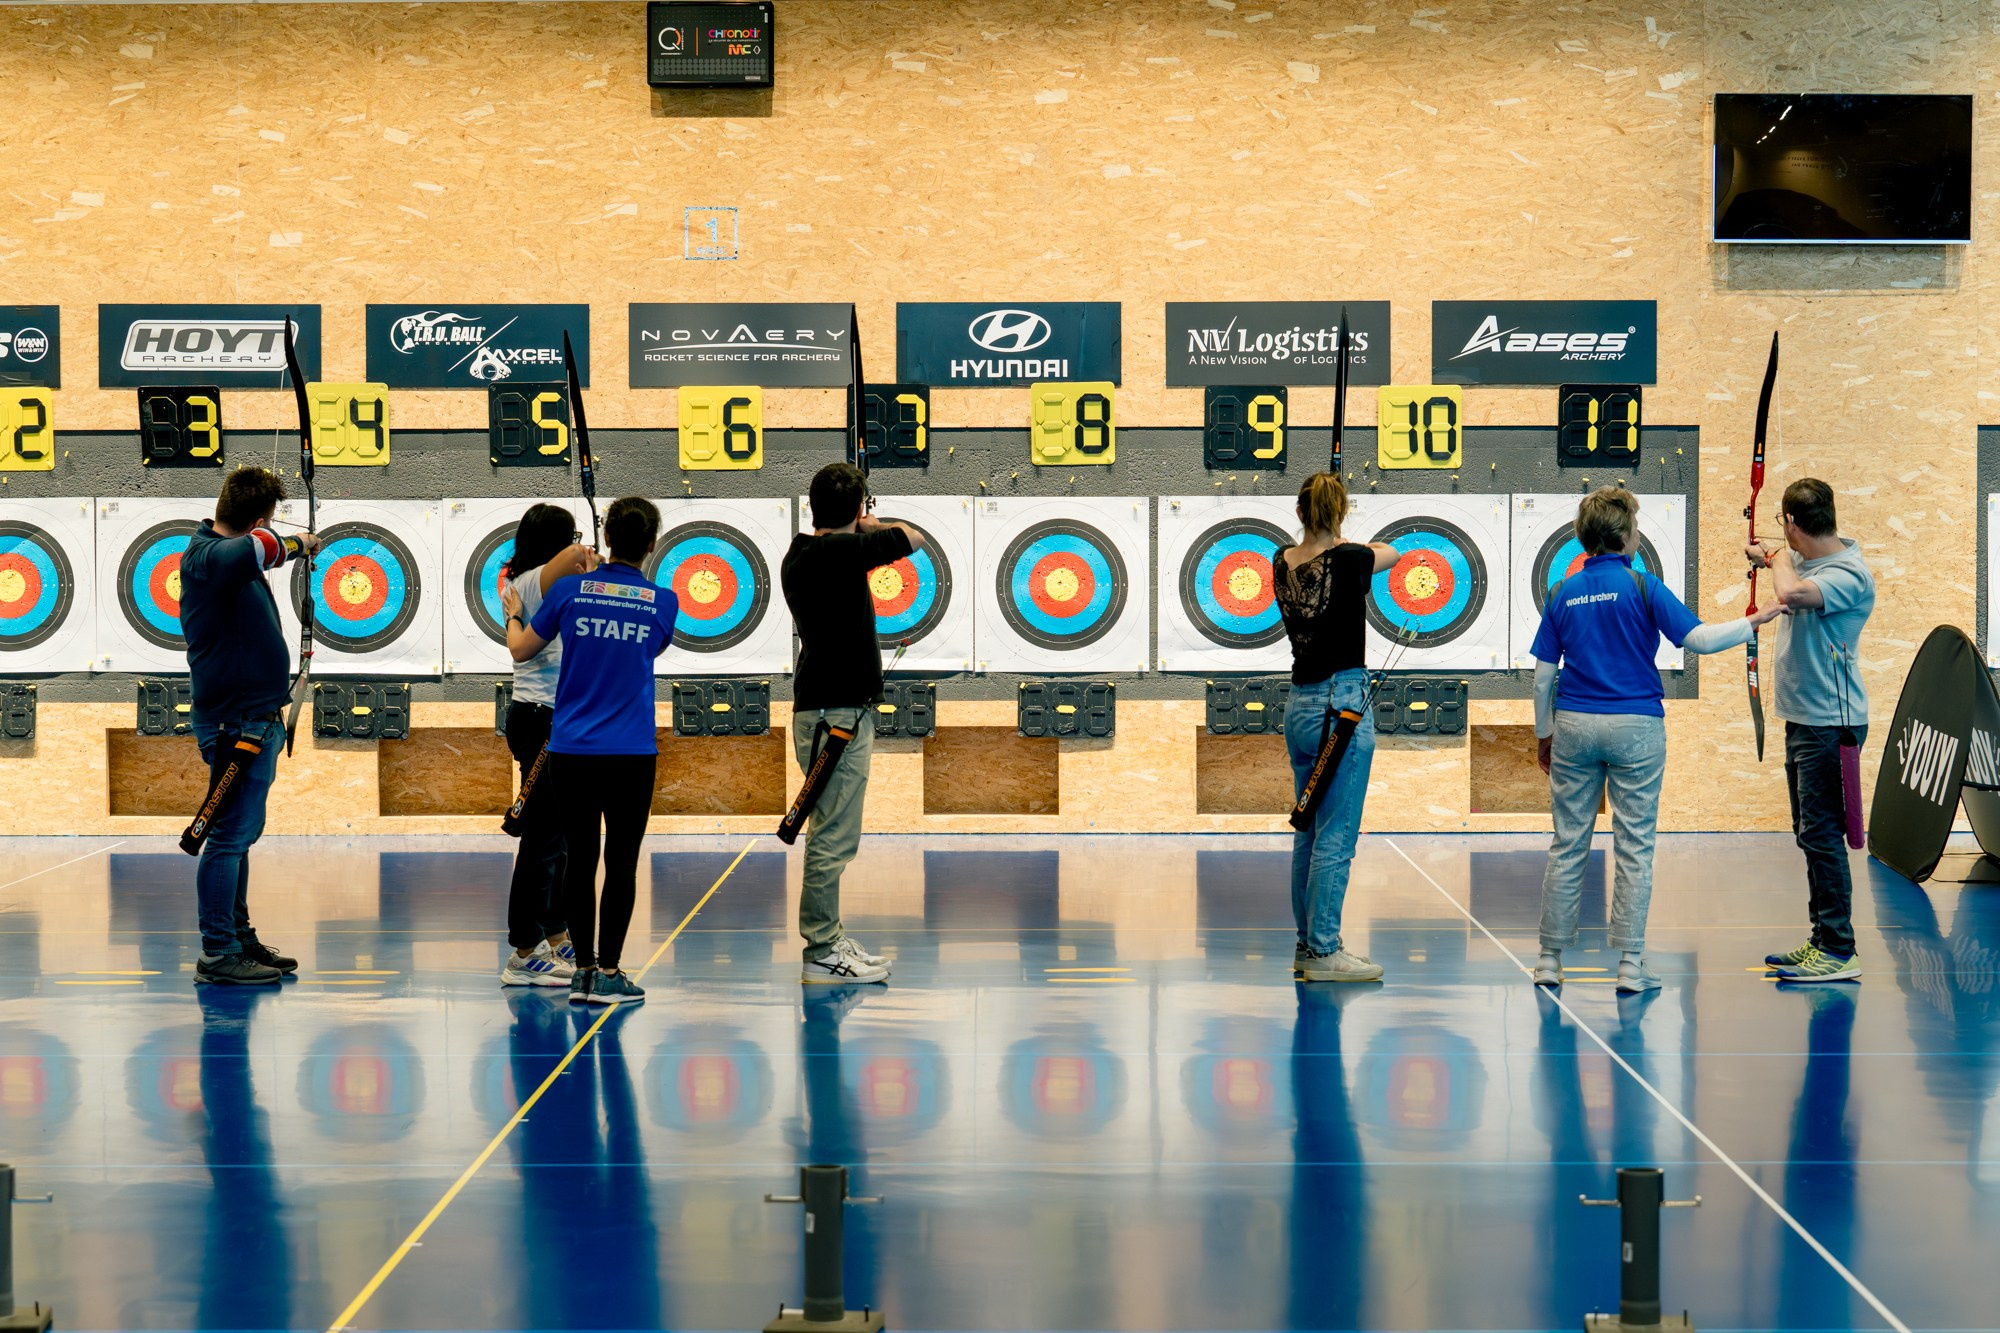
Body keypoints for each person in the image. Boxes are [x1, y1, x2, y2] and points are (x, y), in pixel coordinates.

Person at [1532, 486, 1783, 991]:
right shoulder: (1643, 588)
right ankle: (1629, 966)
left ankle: (1548, 962)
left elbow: (1542, 678)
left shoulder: (1562, 592)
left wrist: (1544, 735)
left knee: (1567, 844)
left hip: (1576, 726)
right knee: (1635, 847)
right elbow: (1702, 640)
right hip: (1636, 729)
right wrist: (1757, 619)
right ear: (1625, 537)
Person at [504, 497, 677, 1006]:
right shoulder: (663, 602)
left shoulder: (570, 593)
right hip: (630, 750)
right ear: (650, 546)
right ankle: (609, 971)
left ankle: (579, 970)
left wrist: (523, 612)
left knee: (579, 858)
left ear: (607, 537)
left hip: (571, 748)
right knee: (621, 862)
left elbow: (525, 649)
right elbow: (649, 648)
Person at [178, 465, 322, 985]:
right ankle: (217, 952)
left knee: (238, 835)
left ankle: (236, 937)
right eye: (267, 522)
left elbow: (253, 548)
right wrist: (301, 542)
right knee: (227, 837)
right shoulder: (205, 556)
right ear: (259, 519)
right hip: (233, 724)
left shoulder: (222, 558)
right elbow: (253, 548)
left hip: (253, 719)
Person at [780, 463, 924, 984]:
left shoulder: (802, 553)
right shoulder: (839, 552)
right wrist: (869, 522)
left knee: (831, 831)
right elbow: (913, 538)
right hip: (833, 715)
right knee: (832, 838)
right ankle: (820, 950)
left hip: (830, 710)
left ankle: (829, 937)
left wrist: (855, 517)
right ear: (856, 510)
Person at [1749, 478, 1875, 982]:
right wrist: (1768, 553)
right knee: (1810, 832)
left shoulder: (1849, 573)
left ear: (1794, 524)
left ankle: (1840, 951)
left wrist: (1777, 554)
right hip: (1805, 719)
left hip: (1831, 723)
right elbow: (1785, 572)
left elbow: (1792, 594)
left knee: (1823, 835)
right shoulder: (1806, 560)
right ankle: (1821, 938)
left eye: (1786, 525)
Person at [1274, 472, 1398, 983]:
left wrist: (1331, 535)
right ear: (1340, 514)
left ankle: (1308, 945)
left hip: (1300, 707)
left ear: (1300, 513)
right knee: (1335, 836)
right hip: (1341, 708)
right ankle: (1325, 951)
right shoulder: (1352, 559)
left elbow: (1316, 558)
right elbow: (1390, 551)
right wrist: (1343, 538)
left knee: (1308, 830)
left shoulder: (1279, 560)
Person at [495, 504, 596, 988]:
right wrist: (587, 554)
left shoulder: (539, 584)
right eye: (569, 538)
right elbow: (574, 555)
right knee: (542, 841)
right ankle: (522, 950)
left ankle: (556, 933)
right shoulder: (534, 580)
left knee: (558, 840)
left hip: (556, 719)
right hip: (541, 721)